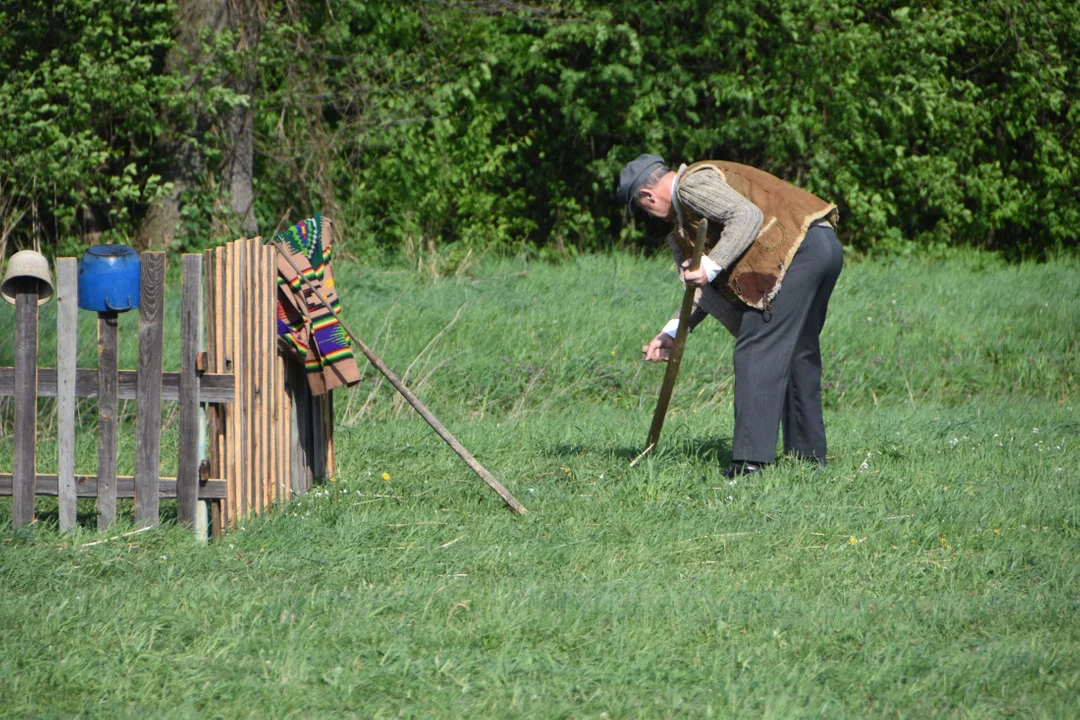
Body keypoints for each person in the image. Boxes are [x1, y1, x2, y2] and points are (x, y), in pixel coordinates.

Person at [617, 154, 844, 477]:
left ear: (647, 196)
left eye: (642, 209)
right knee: (796, 352)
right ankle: (808, 461)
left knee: (757, 348)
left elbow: (746, 216)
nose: (649, 215)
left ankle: (750, 464)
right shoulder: (686, 224)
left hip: (798, 252)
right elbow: (702, 288)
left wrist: (710, 266)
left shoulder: (690, 186)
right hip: (823, 245)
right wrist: (673, 331)